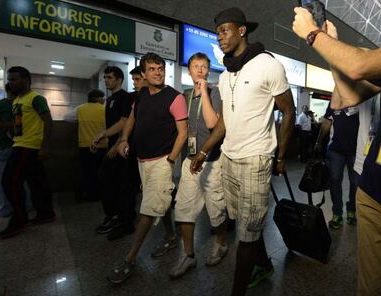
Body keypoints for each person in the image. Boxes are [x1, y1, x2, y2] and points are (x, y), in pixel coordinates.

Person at [293, 3, 381, 294]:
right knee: (371, 289)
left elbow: (360, 66)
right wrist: (330, 49)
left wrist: (313, 35)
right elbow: (349, 95)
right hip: (376, 190)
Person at [190, 8, 295, 296]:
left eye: (225, 30)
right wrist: (204, 152)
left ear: (242, 31)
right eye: (218, 31)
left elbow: (288, 111)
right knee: (246, 225)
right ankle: (264, 266)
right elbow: (224, 121)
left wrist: (281, 156)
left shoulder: (267, 64)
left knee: (246, 237)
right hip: (229, 158)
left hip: (255, 159)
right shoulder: (225, 75)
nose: (220, 36)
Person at [107, 52, 187, 284]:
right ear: (143, 73)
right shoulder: (141, 94)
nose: (158, 72)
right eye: (152, 69)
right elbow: (131, 118)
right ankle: (171, 236)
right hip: (143, 160)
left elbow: (182, 133)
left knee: (148, 209)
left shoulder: (175, 97)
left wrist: (171, 160)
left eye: (160, 68)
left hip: (162, 161)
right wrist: (123, 139)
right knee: (156, 202)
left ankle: (129, 259)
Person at [169, 52, 228, 278]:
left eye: (204, 66)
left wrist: (204, 91)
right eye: (196, 66)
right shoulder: (184, 96)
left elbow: (213, 123)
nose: (200, 70)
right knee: (183, 208)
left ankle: (221, 243)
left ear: (208, 69)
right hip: (189, 160)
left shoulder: (215, 92)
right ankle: (188, 255)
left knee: (216, 209)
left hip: (212, 160)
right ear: (189, 70)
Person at [0, 66, 54, 239]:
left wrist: (44, 147)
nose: (11, 82)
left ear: (26, 80)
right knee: (37, 182)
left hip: (28, 147)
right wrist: (14, 132)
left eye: (14, 79)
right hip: (20, 143)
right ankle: (46, 214)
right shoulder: (16, 101)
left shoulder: (36, 98)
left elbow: (48, 122)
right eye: (9, 79)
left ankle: (20, 218)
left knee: (9, 181)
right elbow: (18, 125)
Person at [93, 66, 139, 241]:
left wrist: (117, 140)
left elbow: (125, 122)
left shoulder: (126, 97)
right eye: (105, 77)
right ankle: (117, 217)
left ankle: (123, 220)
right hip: (114, 146)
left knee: (121, 186)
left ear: (119, 80)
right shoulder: (110, 99)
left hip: (123, 149)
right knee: (111, 183)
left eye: (109, 77)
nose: (106, 80)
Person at [315, 103, 359, 228]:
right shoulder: (335, 100)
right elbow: (327, 122)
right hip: (335, 150)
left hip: (356, 150)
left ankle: (352, 210)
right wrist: (318, 141)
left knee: (355, 183)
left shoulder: (361, 99)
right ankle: (337, 213)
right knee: (334, 181)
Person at [0, 83, 32, 217]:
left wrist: (2, 124)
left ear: (7, 90)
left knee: (1, 180)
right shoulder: (26, 104)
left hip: (3, 146)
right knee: (22, 178)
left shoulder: (3, 104)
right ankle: (27, 205)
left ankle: (6, 208)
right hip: (23, 146)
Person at [64, 89, 107, 201]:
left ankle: (86, 194)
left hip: (85, 145)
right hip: (102, 146)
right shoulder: (105, 109)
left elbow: (67, 118)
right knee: (100, 172)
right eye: (102, 98)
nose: (104, 100)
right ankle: (98, 194)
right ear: (98, 98)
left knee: (86, 172)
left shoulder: (81, 108)